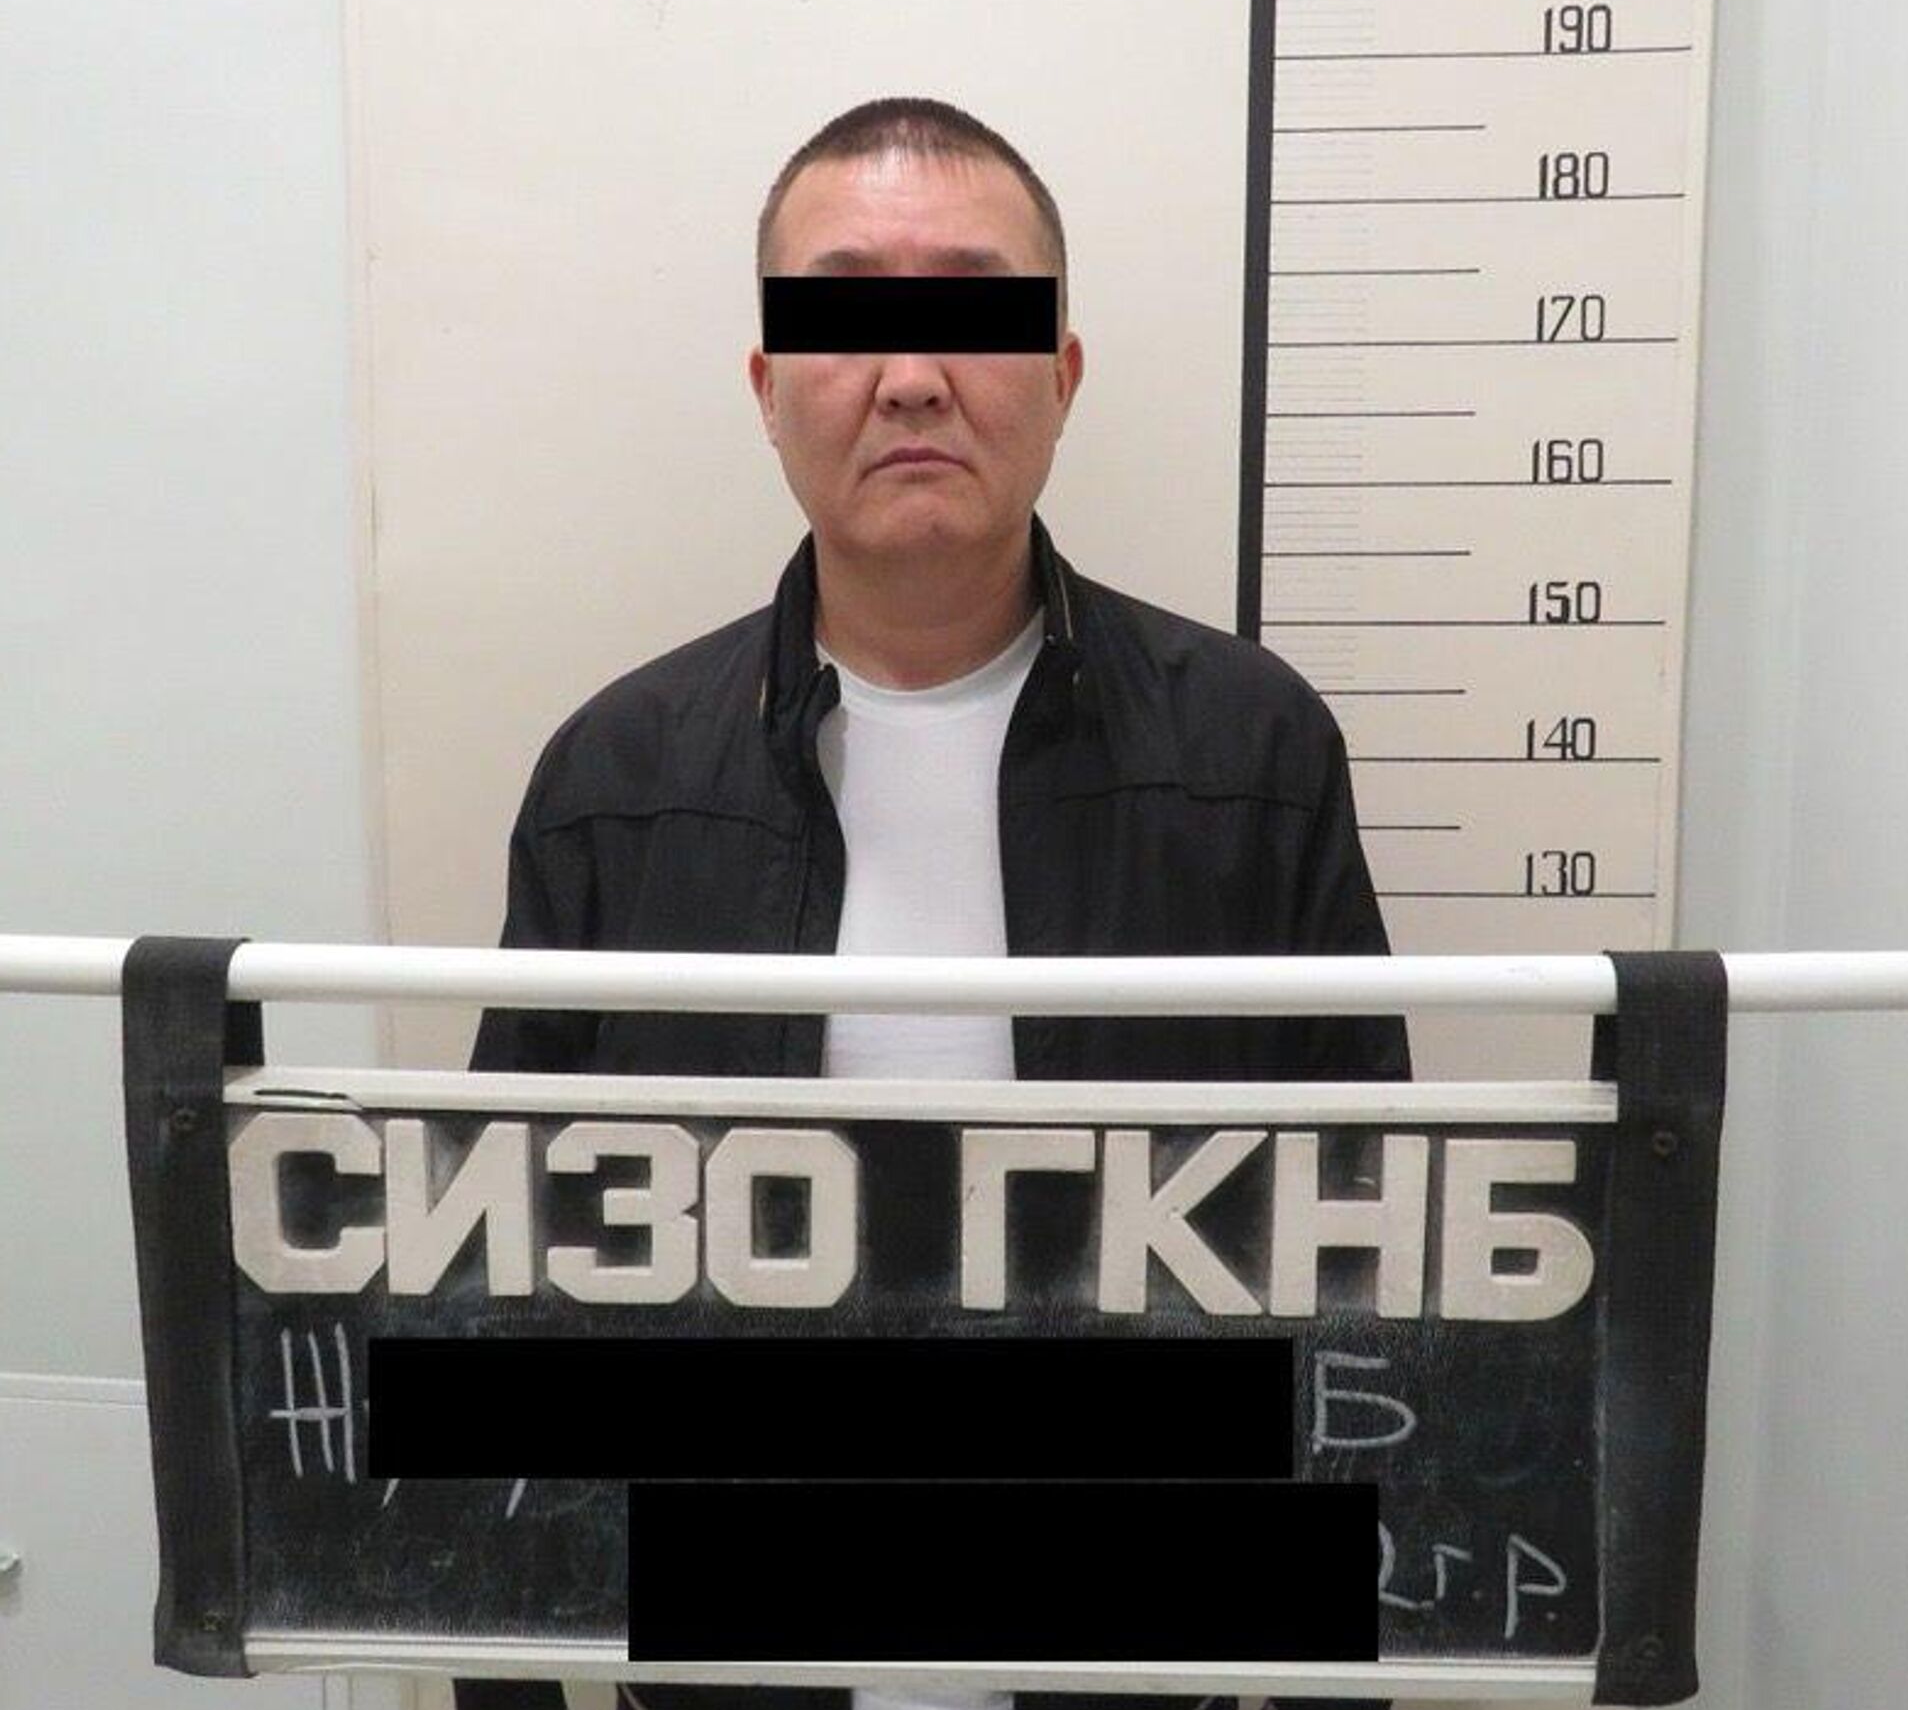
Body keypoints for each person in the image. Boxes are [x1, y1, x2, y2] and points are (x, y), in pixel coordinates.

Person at [461, 98, 1405, 1710]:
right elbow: (503, 1278)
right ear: (768, 387)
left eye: (976, 311)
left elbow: (1372, 1257)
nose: (910, 375)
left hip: (1139, 1667)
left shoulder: (1255, 757)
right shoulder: (614, 779)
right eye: (842, 318)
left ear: (1064, 375)